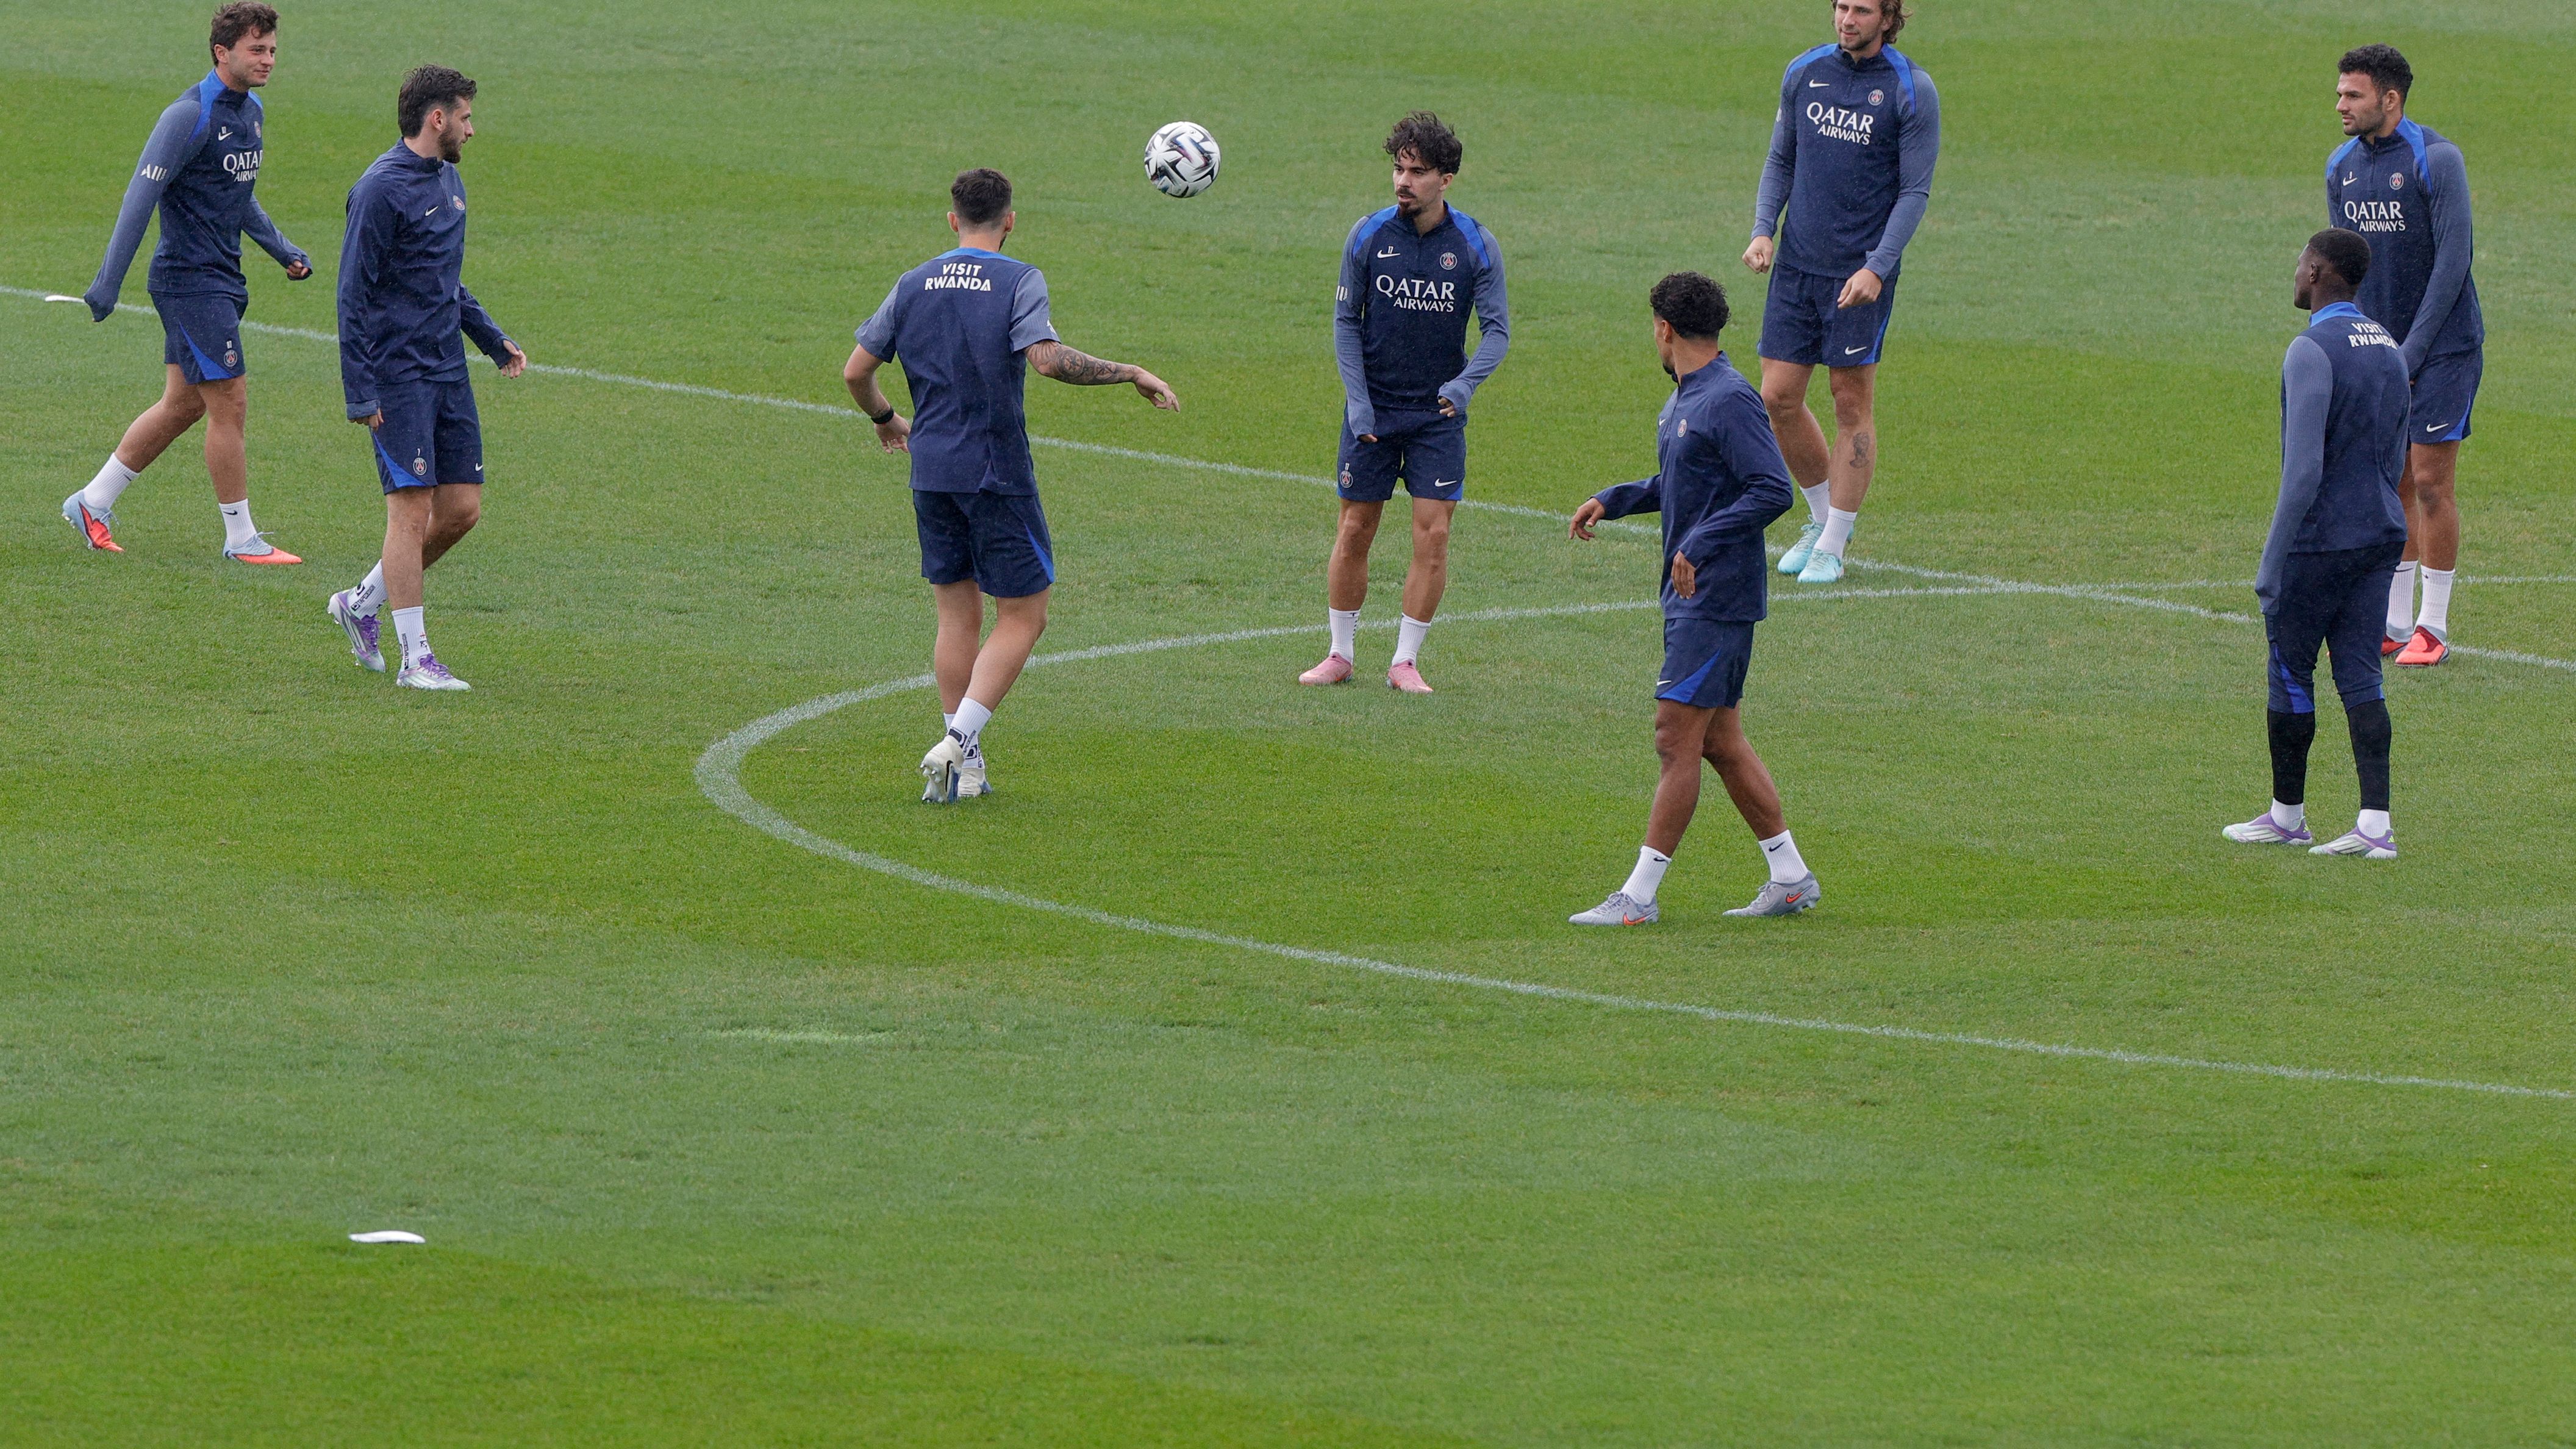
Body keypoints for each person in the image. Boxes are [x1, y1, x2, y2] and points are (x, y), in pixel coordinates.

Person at [844, 168, 1179, 803]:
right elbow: (1047, 359)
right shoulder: (1018, 278)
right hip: (994, 471)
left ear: (952, 221)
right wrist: (1131, 371)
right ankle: (957, 742)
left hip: (932, 469)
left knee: (956, 615)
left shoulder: (913, 282)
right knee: (1026, 614)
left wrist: (887, 420)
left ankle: (965, 770)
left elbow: (856, 370)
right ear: (1010, 220)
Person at [1567, 273, 1812, 925]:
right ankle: (1790, 876)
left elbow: (1772, 489)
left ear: (1665, 329)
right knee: (1720, 740)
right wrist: (1617, 499)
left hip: (1715, 597)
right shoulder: (1685, 400)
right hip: (1692, 596)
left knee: (1675, 737)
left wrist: (1700, 543)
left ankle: (1639, 898)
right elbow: (1686, 479)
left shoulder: (1728, 399)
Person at [66, 2, 311, 564]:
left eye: (272, 49)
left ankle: (92, 502)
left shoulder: (252, 112)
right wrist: (108, 283)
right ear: (222, 52)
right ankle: (241, 538)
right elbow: (140, 197)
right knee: (230, 401)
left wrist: (281, 250)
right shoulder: (188, 116)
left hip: (222, 276)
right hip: (188, 281)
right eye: (257, 49)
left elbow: (237, 195)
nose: (268, 59)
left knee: (183, 405)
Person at [326, 65, 526, 692]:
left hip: (446, 368)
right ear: (436, 118)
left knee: (461, 511)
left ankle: (360, 603)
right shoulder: (379, 191)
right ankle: (417, 659)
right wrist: (360, 390)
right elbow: (352, 295)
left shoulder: (451, 182)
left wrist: (490, 339)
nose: (472, 128)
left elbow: (446, 281)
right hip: (396, 375)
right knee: (410, 512)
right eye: (465, 116)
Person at [1299, 112, 1509, 693]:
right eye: (1398, 167)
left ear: (1447, 179)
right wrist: (1358, 401)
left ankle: (1404, 662)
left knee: (1434, 535)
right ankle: (1340, 653)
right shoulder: (1368, 235)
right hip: (1373, 409)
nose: (1403, 180)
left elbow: (1497, 332)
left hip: (1437, 416)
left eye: (1417, 171)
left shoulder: (1474, 244)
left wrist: (1464, 386)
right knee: (1355, 529)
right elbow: (1346, 322)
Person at [2222, 231, 2410, 860]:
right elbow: (2395, 453)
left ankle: (2288, 816)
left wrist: (2272, 562)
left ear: (2321, 272)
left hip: (2320, 540)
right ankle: (2375, 826)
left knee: (2290, 674)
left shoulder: (2310, 349)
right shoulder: (2389, 347)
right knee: (2361, 678)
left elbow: (2303, 471)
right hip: (2381, 531)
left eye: (2301, 263)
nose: (2295, 272)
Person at [1742, 0, 1939, 586]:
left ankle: (1834, 544)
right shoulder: (1804, 72)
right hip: (1797, 267)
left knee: (1850, 402)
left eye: (1861, 10)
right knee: (1777, 396)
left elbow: (1914, 192)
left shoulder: (1910, 89)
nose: (1846, 19)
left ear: (1889, 18)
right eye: (1841, 6)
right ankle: (1825, 519)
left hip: (1859, 277)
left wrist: (1877, 268)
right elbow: (1783, 158)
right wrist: (1762, 229)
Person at [2328, 43, 2484, 667]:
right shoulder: (2341, 166)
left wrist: (2413, 349)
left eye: (2353, 95)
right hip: (2383, 350)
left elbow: (2454, 262)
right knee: (2389, 480)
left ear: (2390, 100)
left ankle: (2434, 627)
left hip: (2444, 346)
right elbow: (2347, 269)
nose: (2340, 105)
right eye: (2340, 93)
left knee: (2428, 482)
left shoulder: (2435, 160)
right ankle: (2393, 622)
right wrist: (2359, 344)